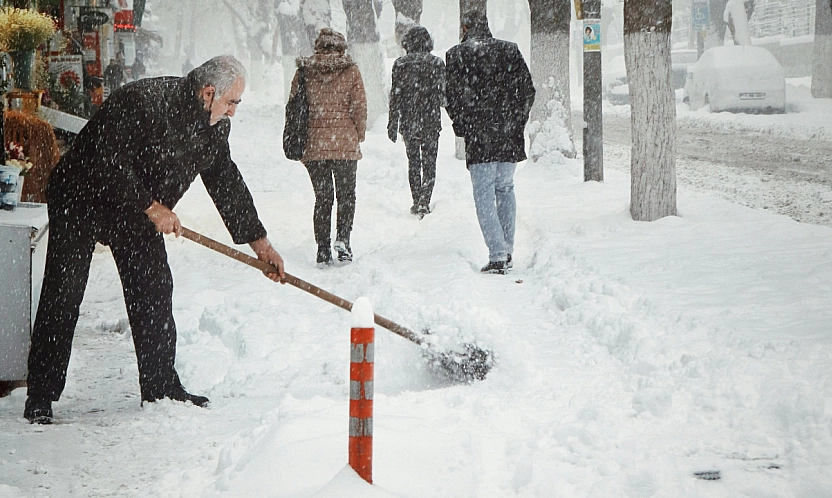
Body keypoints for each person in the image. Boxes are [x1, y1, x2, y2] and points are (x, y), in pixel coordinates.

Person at [23, 55, 285, 424]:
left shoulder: (213, 127)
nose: (233, 112)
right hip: (81, 197)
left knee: (154, 288)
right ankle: (40, 395)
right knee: (65, 291)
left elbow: (225, 180)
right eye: (231, 102)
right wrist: (152, 206)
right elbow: (107, 160)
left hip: (134, 212)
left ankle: (160, 386)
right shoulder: (144, 101)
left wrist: (261, 244)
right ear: (208, 92)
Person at [445, 10, 535, 274]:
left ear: (465, 28)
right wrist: (516, 121)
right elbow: (527, 91)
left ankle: (497, 254)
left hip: (479, 135)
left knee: (484, 193)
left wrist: (463, 126)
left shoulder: (457, 55)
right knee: (505, 188)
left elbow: (451, 97)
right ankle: (507, 249)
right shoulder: (509, 50)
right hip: (508, 135)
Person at [288, 28, 366, 267]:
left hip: (314, 145)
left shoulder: (304, 72)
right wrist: (358, 135)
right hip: (344, 145)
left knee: (323, 198)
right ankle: (343, 240)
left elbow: (294, 107)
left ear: (318, 47)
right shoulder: (351, 70)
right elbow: (359, 107)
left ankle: (322, 249)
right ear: (341, 48)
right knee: (346, 195)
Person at [388, 25, 445, 218]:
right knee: (429, 162)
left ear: (407, 43)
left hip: (409, 120)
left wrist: (393, 122)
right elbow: (443, 95)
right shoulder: (436, 63)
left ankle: (416, 200)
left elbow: (395, 96)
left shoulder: (400, 64)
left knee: (413, 162)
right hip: (430, 119)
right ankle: (424, 200)